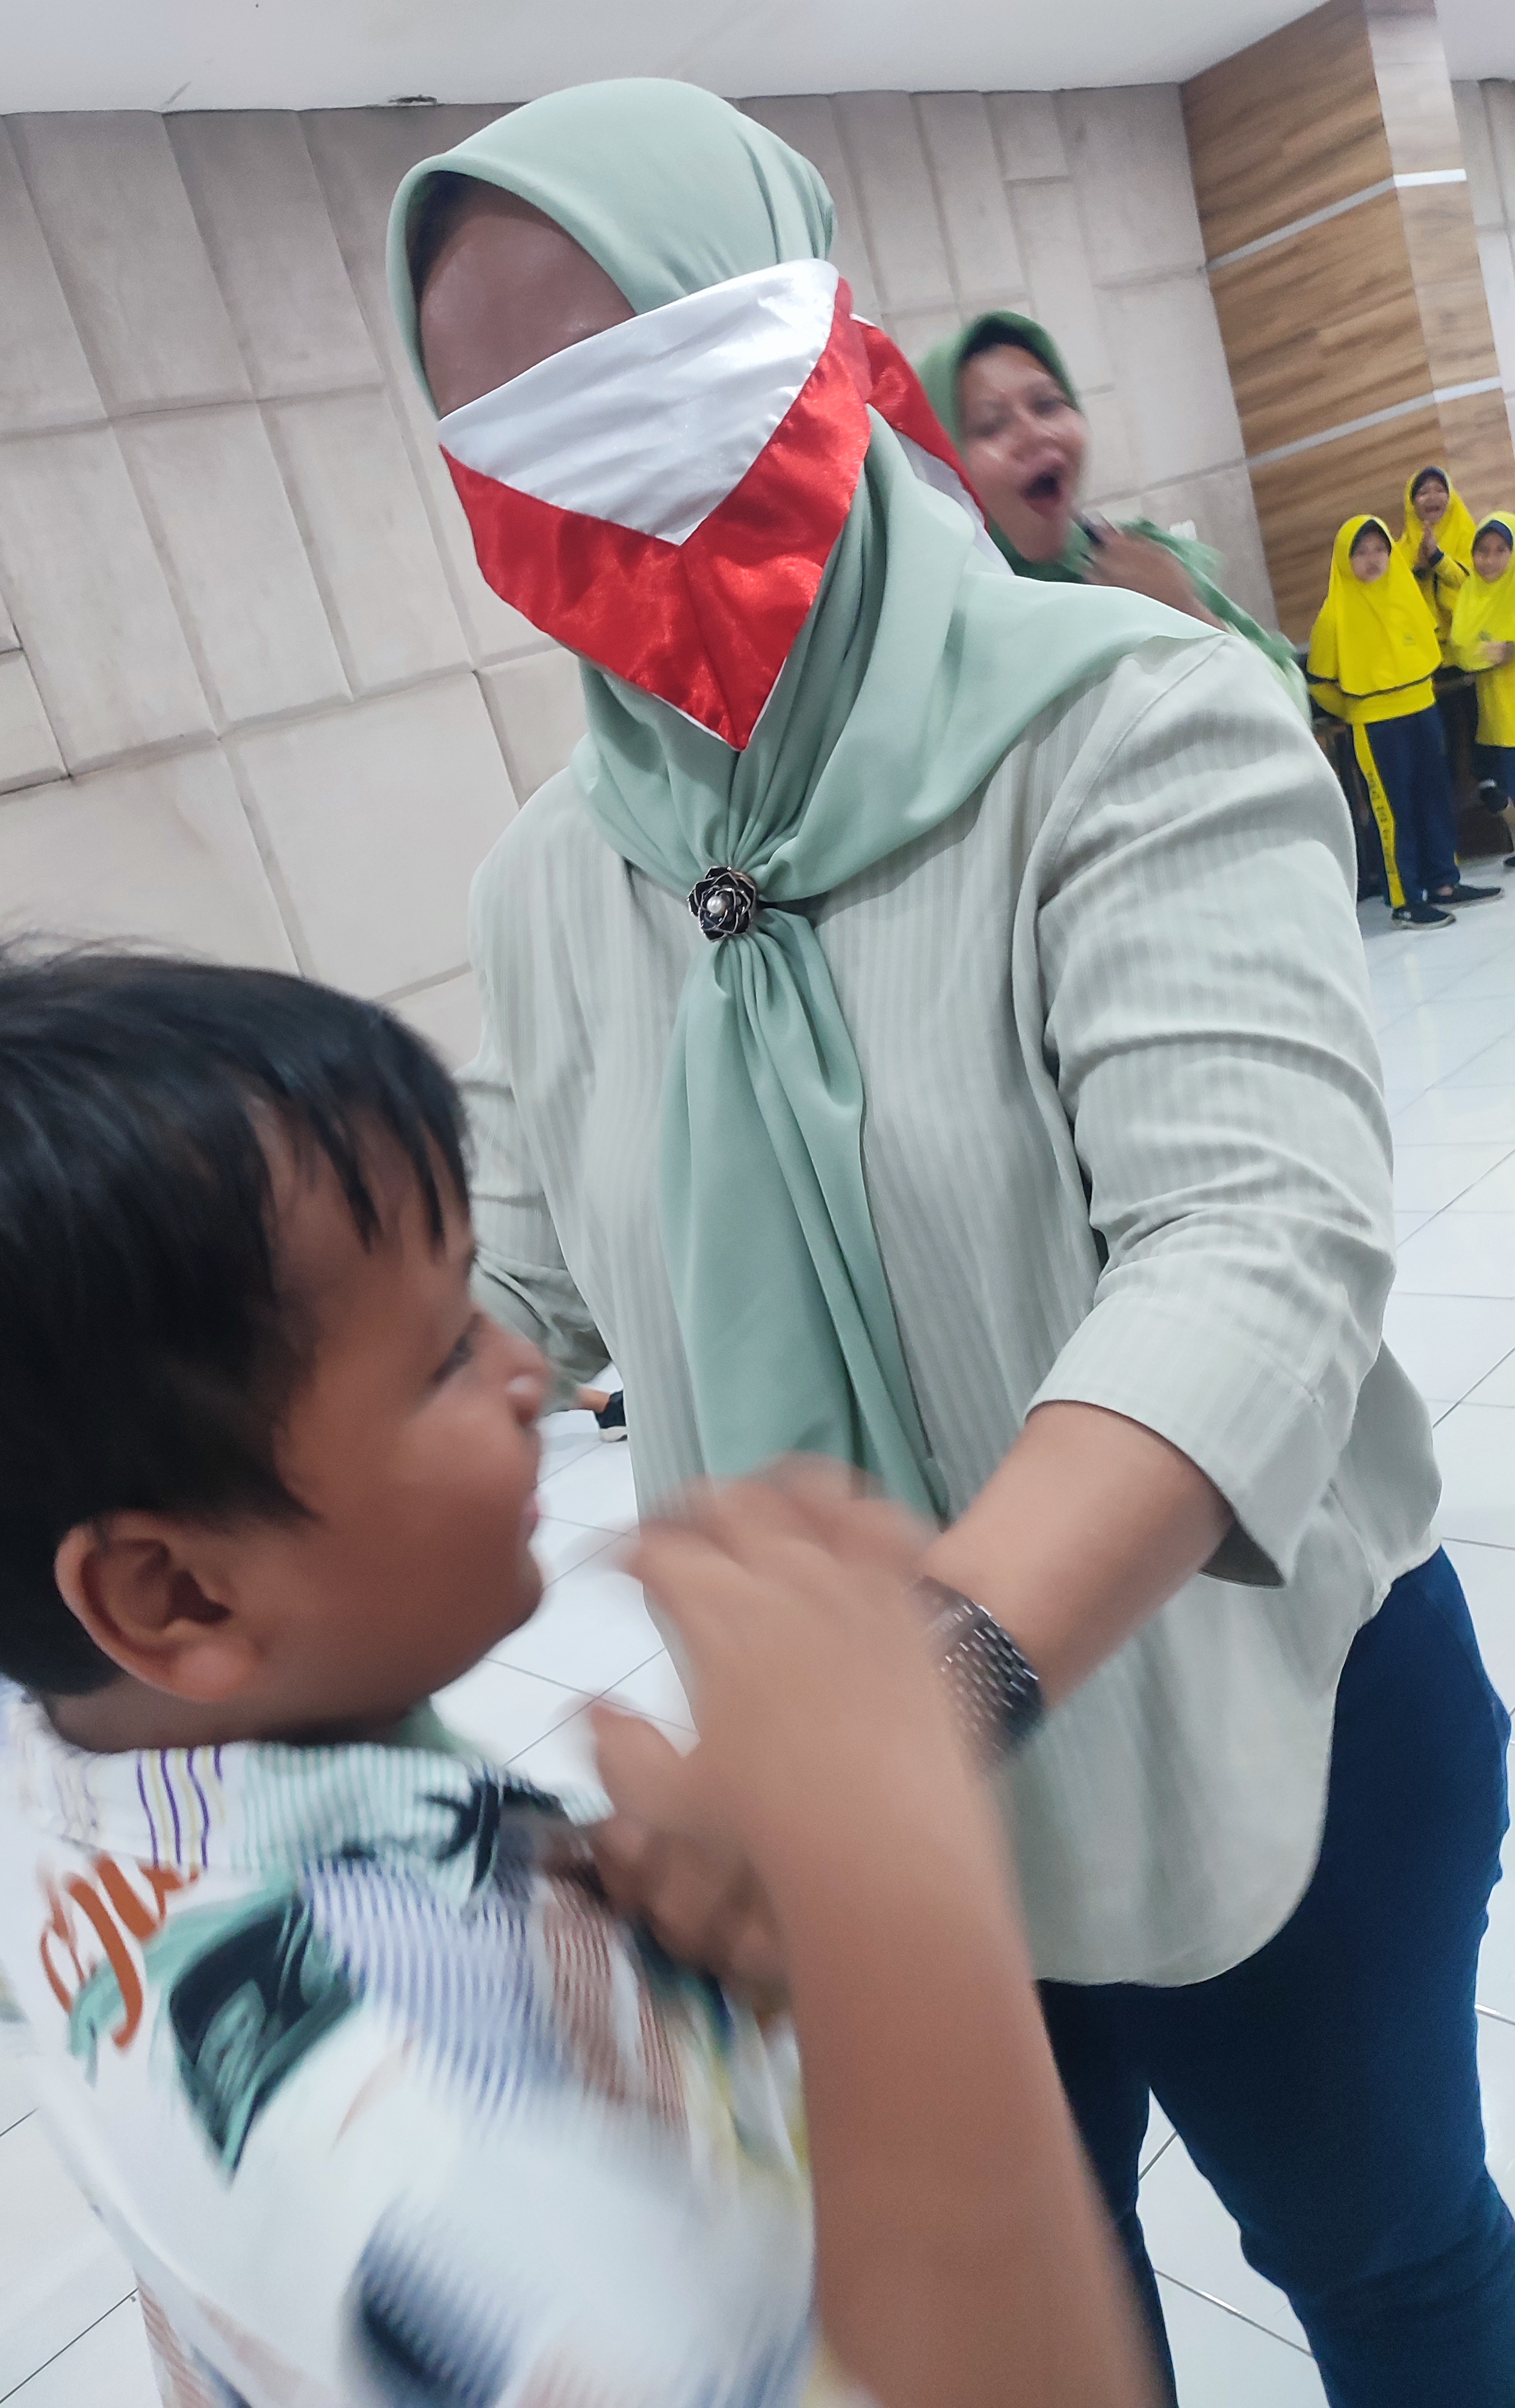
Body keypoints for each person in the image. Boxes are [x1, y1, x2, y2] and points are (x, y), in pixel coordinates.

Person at [388, 78, 1515, 2406]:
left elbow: (1248, 1245)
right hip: (857, 1815)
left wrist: (910, 1692)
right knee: (1041, 2310)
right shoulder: (550, 887)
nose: (588, 482)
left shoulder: (1134, 728)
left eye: (642, 381)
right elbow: (496, 1275)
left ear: (820, 346)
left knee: (1389, 2260)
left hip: (1251, 1722)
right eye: (509, 437)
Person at [0, 942, 1158, 2408]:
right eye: (445, 1354)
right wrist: (897, 1891)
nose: (533, 1370)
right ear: (175, 1592)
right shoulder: (448, 2155)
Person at [917, 309, 1309, 718]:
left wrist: (1189, 614)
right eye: (991, 426)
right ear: (941, 467)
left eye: (1048, 405)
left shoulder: (1141, 560)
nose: (1036, 433)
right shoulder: (948, 640)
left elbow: (1289, 706)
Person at [1307, 514, 1502, 925]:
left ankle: (1444, 883)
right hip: (1378, 725)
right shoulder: (1333, 617)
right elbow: (1321, 683)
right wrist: (1357, 710)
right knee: (1396, 813)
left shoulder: (1406, 595)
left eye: (1380, 549)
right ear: (1344, 559)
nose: (1373, 559)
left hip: (1423, 710)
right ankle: (1406, 900)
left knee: (1436, 799)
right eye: (1361, 552)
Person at [1448, 507, 1515, 869]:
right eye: (1482, 551)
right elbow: (1461, 649)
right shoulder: (1470, 593)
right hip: (1496, 716)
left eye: (1501, 550)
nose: (1490, 561)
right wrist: (1490, 653)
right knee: (1500, 784)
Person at [1399, 463, 1476, 639]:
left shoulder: (1470, 537)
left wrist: (1438, 559)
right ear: (1411, 504)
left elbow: (1473, 584)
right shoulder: (1399, 551)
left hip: (1467, 638)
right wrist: (1421, 571)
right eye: (1423, 493)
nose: (1432, 497)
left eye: (1440, 490)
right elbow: (1401, 601)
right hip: (1426, 642)